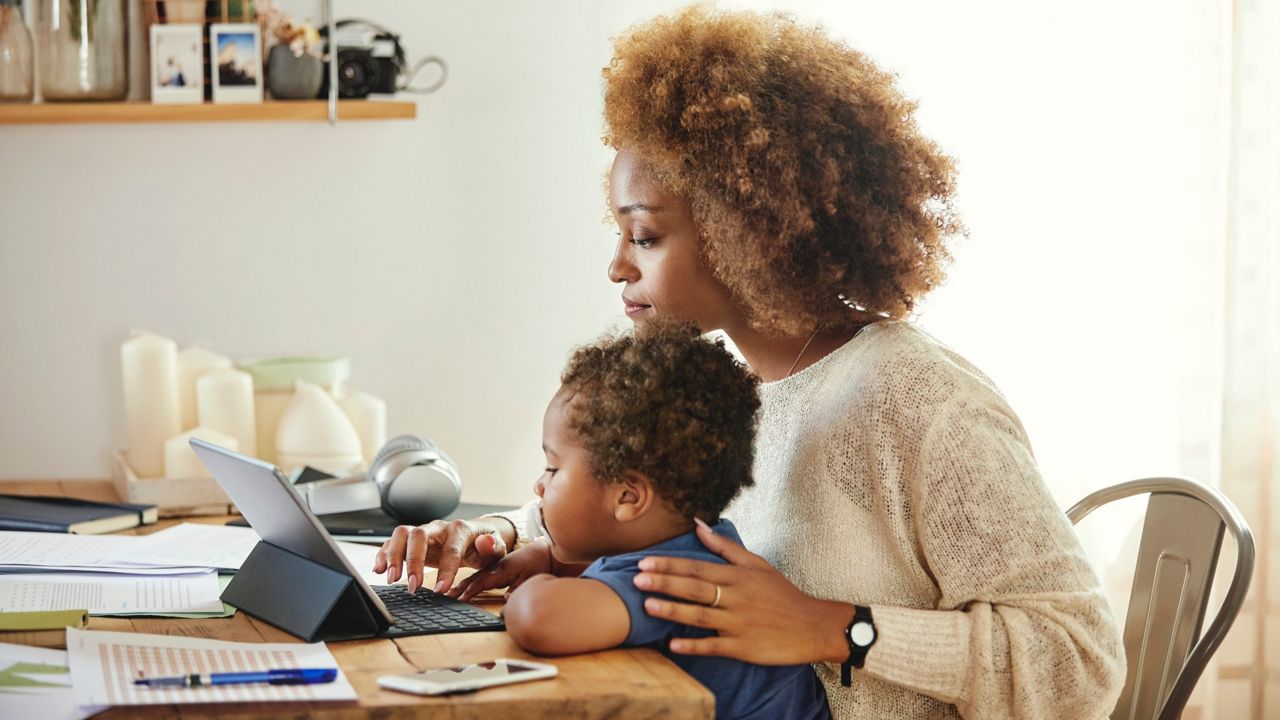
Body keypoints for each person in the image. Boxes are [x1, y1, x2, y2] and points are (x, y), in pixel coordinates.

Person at [373, 6, 1125, 718]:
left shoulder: (916, 397)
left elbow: (1082, 662)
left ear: (747, 229)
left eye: (645, 236)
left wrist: (838, 629)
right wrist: (503, 537)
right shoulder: (732, 390)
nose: (616, 268)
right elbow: (636, 507)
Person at [466, 321, 830, 720]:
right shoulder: (706, 546)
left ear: (628, 497)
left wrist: (529, 594)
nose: (539, 486)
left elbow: (540, 618)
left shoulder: (672, 580)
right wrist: (550, 560)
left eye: (552, 468)